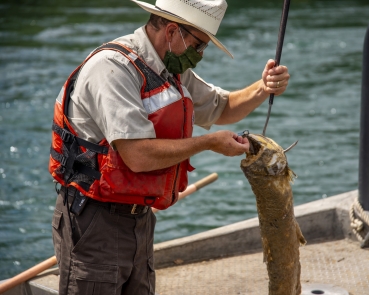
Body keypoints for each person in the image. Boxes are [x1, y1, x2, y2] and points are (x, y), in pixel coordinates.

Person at [49, 0, 290, 294]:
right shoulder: (112, 69)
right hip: (94, 220)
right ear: (173, 31)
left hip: (139, 219)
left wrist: (264, 86)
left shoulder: (171, 66)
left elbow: (222, 108)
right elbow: (137, 156)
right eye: (199, 45)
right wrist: (209, 142)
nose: (200, 56)